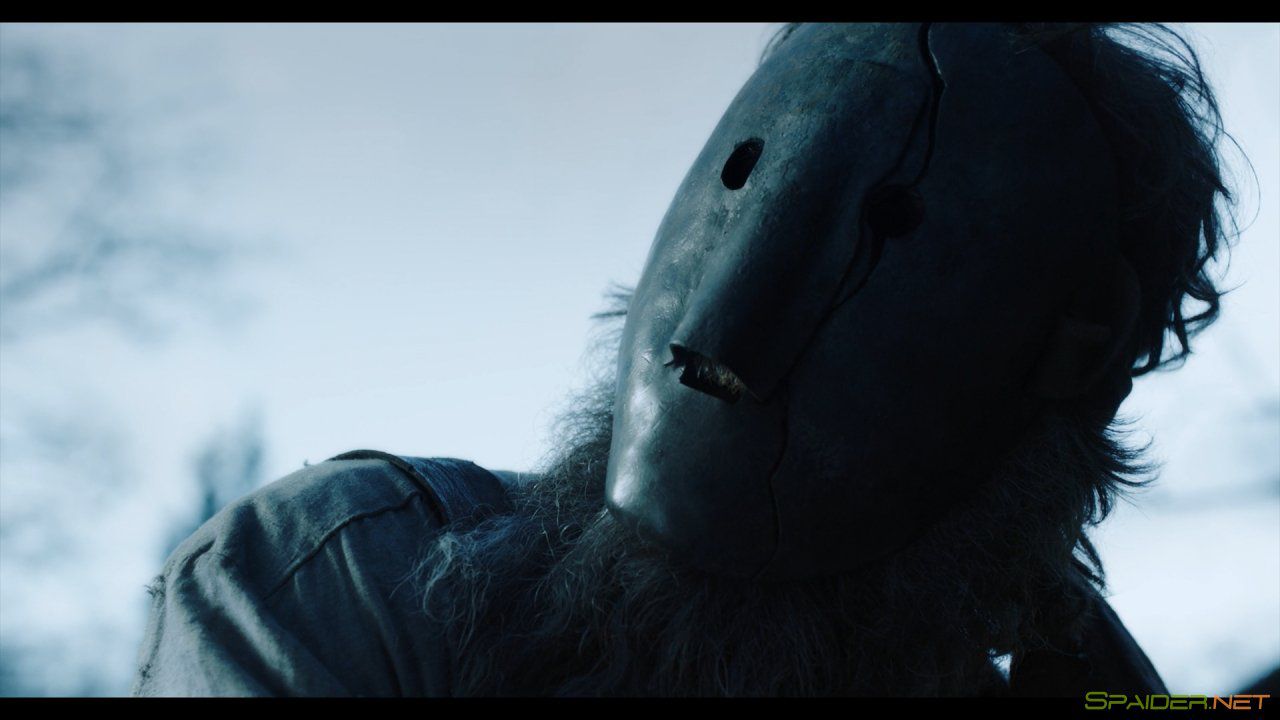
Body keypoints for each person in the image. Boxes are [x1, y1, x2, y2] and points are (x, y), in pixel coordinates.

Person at [131, 22, 1238, 697]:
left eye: (892, 229)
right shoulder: (345, 579)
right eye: (745, 179)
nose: (720, 338)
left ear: (1076, 351)